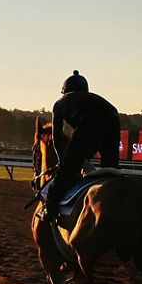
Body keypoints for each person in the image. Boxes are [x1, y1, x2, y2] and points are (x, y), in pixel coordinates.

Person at [46, 69, 121, 207]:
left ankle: (48, 210)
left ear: (65, 90)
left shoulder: (61, 103)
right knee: (111, 172)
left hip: (90, 122)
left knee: (65, 175)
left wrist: (62, 163)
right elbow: (91, 144)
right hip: (114, 118)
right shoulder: (93, 99)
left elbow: (57, 139)